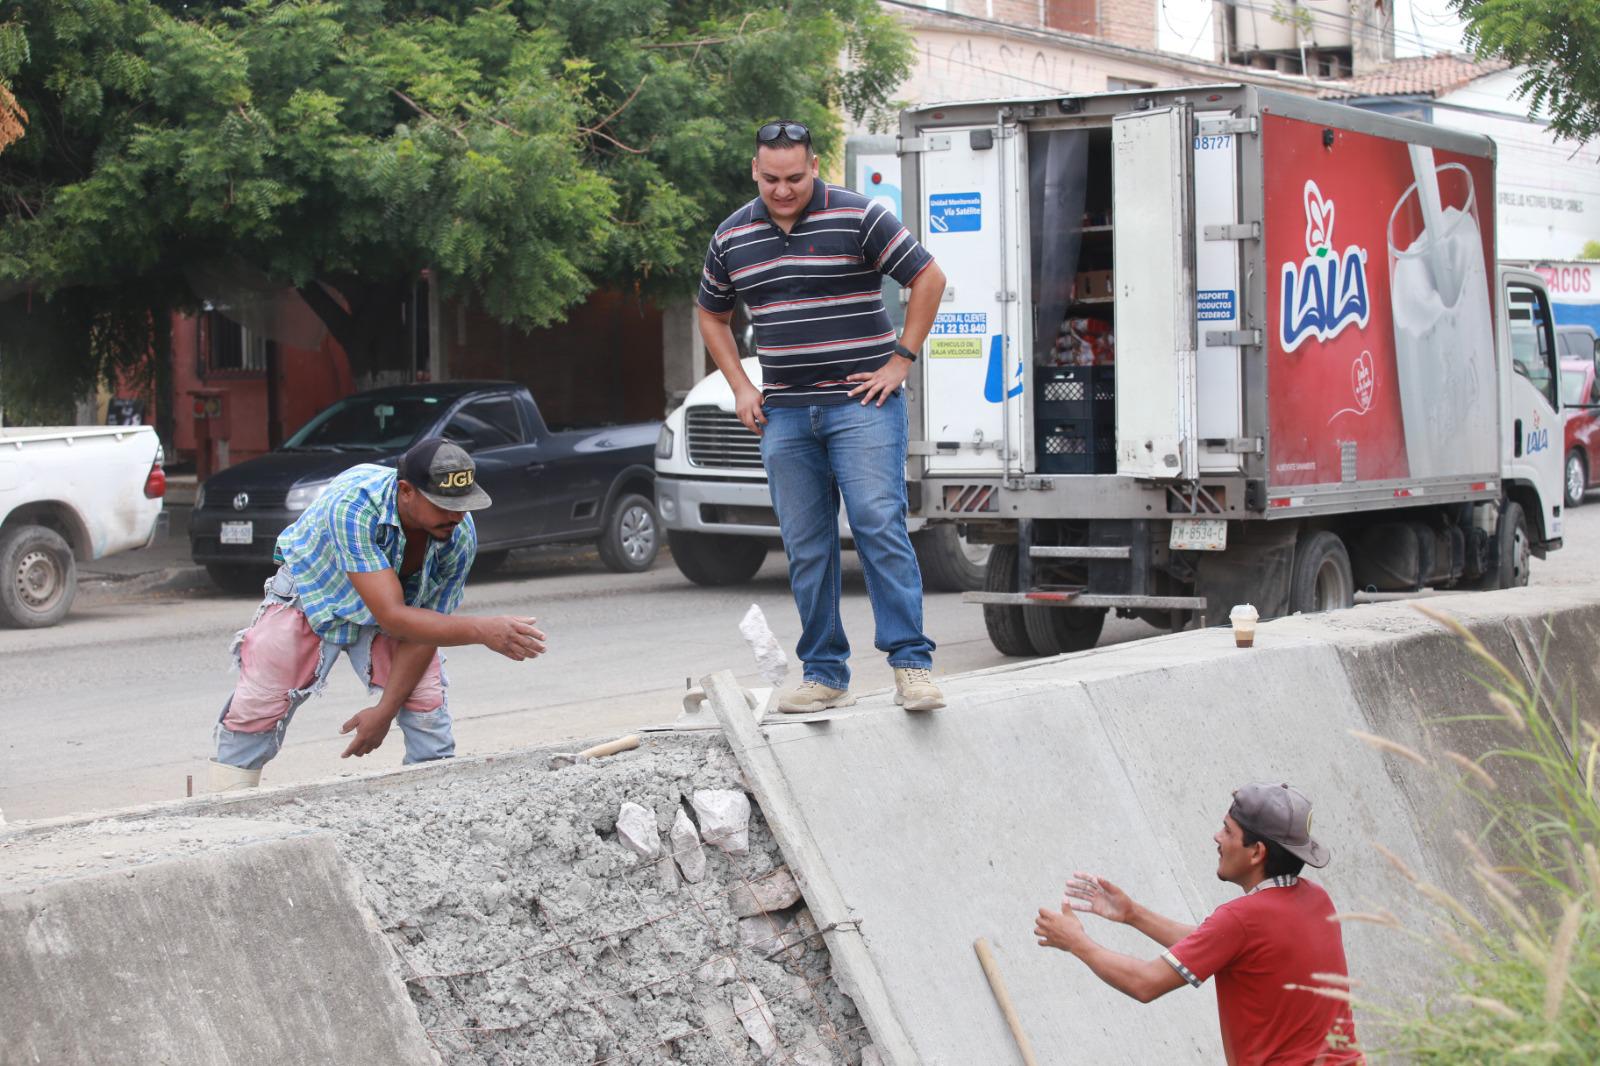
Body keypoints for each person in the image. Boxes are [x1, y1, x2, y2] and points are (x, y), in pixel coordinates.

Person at [697, 118, 950, 713]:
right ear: (754, 171)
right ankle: (824, 673)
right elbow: (711, 314)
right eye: (770, 179)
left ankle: (912, 665)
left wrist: (901, 361)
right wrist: (740, 385)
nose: (782, 190)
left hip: (861, 404)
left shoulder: (858, 215)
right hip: (784, 412)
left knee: (876, 524)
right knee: (806, 545)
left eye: (794, 177)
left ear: (814, 166)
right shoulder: (733, 235)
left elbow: (928, 277)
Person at [207, 438, 547, 790]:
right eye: (444, 505)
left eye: (463, 504)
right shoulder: (354, 506)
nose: (457, 516)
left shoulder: (458, 535)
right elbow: (392, 617)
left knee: (426, 701)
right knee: (259, 703)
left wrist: (384, 712)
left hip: (394, 603)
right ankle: (225, 812)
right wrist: (481, 630)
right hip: (313, 593)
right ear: (406, 491)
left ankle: (434, 807)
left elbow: (422, 632)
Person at [1034, 783, 1364, 1065]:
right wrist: (1134, 914)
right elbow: (1223, 948)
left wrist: (1076, 941)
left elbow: (1145, 984)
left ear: (1256, 852)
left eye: (1228, 830)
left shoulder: (1242, 919)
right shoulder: (1316, 900)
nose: (1216, 837)